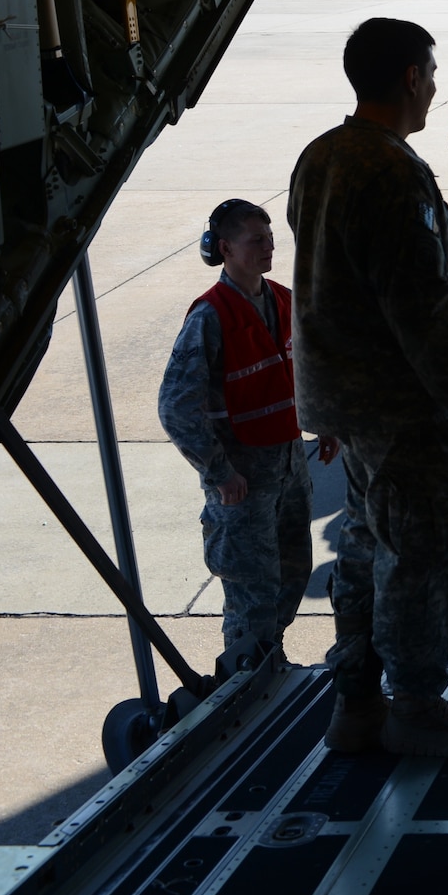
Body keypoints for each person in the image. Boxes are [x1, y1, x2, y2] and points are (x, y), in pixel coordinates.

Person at [289, 16, 448, 759]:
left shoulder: (321, 156)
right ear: (410, 77)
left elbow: (322, 284)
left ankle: (355, 703)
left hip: (348, 403)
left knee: (363, 544)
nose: (436, 89)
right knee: (422, 554)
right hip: (404, 405)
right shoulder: (390, 171)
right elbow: (422, 309)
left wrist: (327, 399)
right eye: (432, 75)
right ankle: (413, 702)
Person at [158, 199, 337, 662]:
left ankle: (269, 662)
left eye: (270, 236)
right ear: (225, 248)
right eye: (255, 239)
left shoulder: (281, 299)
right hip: (243, 485)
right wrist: (219, 473)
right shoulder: (210, 317)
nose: (268, 245)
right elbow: (176, 408)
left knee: (291, 575)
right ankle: (243, 675)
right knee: (250, 592)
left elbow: (306, 369)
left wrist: (325, 423)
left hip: (289, 468)